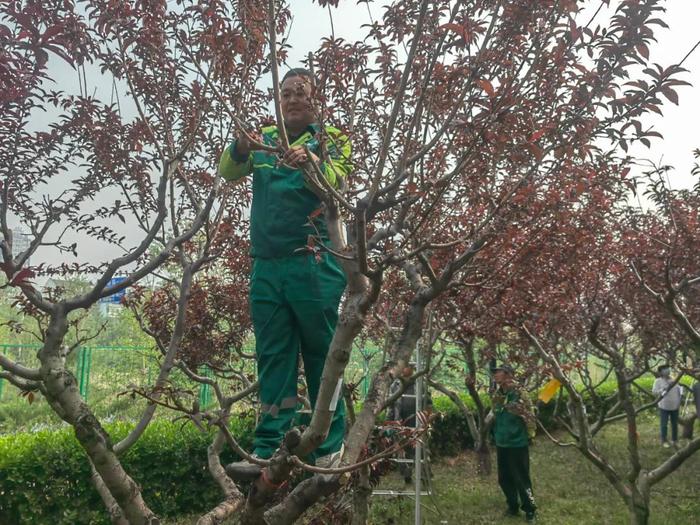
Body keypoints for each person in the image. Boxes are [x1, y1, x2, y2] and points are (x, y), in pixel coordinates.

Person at [219, 67, 352, 481]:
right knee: (273, 355)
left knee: (322, 353)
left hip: (314, 264)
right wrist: (240, 148)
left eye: (301, 92)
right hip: (266, 265)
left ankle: (330, 447)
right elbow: (228, 171)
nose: (292, 99)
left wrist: (312, 162)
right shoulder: (264, 139)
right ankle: (268, 445)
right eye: (285, 93)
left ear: (317, 99)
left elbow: (338, 184)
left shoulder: (332, 141)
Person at [491, 364, 537, 522]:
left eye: (498, 372)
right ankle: (512, 506)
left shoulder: (520, 393)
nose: (495, 375)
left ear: (508, 374)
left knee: (521, 477)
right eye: (494, 372)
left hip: (517, 443)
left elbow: (530, 415)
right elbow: (495, 414)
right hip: (502, 442)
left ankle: (530, 509)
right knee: (504, 478)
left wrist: (530, 436)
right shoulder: (497, 394)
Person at [652, 364, 682, 448]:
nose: (667, 370)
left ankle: (675, 440)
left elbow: (679, 391)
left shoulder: (674, 380)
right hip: (664, 406)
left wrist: (679, 401)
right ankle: (664, 440)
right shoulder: (658, 381)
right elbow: (654, 392)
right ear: (660, 372)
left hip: (675, 406)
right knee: (664, 424)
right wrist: (663, 389)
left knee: (674, 424)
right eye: (664, 369)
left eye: (667, 368)